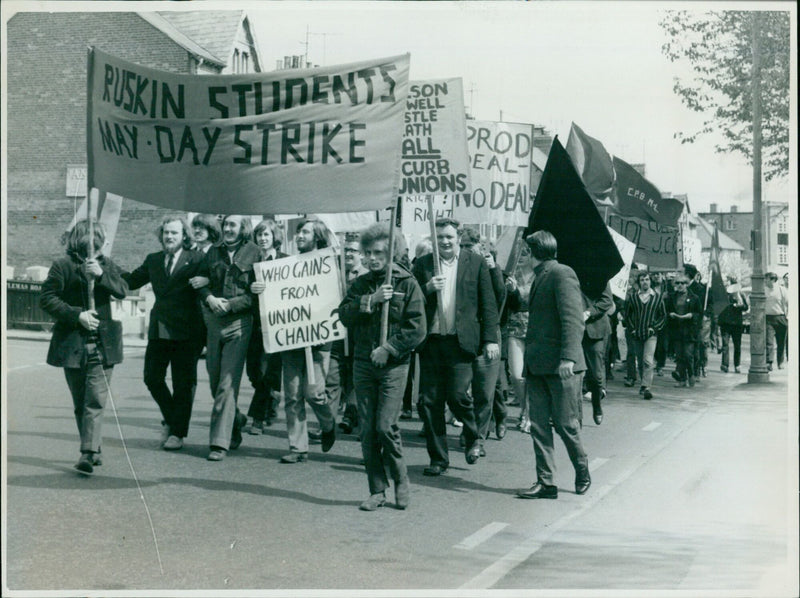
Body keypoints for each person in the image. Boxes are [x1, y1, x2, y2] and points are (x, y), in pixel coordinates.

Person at [338, 223, 426, 511]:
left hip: (394, 366)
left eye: (379, 253)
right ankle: (377, 489)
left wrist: (389, 348)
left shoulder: (407, 283)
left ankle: (401, 479)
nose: (373, 258)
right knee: (367, 430)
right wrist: (370, 301)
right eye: (368, 253)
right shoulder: (361, 284)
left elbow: (417, 329)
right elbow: (344, 315)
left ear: (391, 253)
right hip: (363, 364)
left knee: (385, 426)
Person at [412, 217, 500, 476]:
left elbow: (488, 303)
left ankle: (473, 436)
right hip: (432, 341)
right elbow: (409, 297)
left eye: (449, 237)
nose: (445, 242)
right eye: (439, 238)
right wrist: (427, 288)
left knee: (458, 395)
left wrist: (490, 339)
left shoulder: (476, 263)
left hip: (460, 342)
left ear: (459, 237)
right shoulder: (424, 264)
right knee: (429, 402)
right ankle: (438, 459)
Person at [40, 219, 128, 474]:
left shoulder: (107, 265)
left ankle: (87, 452)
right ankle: (93, 446)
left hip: (104, 345)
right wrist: (77, 314)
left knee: (95, 399)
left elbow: (123, 289)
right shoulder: (62, 266)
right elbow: (47, 298)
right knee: (81, 402)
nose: (94, 243)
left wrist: (101, 275)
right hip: (73, 346)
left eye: (97, 238)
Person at [516, 231, 590, 500]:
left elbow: (573, 319)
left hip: (561, 366)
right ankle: (546, 482)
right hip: (538, 365)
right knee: (538, 425)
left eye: (525, 251)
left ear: (533, 252)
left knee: (566, 424)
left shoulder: (561, 273)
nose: (523, 256)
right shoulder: (540, 276)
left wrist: (568, 358)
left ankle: (582, 469)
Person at [122, 215, 205, 451]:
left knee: (183, 384)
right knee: (152, 377)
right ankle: (172, 418)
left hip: (188, 330)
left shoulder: (197, 259)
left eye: (174, 233)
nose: (169, 237)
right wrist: (103, 272)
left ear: (184, 236)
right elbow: (130, 281)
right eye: (166, 232)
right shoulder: (154, 259)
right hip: (160, 327)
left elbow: (212, 281)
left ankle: (177, 433)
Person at [192, 215, 260, 461]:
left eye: (233, 225)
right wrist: (209, 297)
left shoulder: (255, 253)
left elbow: (257, 296)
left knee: (226, 384)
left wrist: (230, 304)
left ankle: (219, 443)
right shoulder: (213, 253)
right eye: (226, 225)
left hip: (239, 324)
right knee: (214, 382)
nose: (228, 229)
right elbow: (200, 283)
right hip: (213, 322)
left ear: (243, 228)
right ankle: (236, 419)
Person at [276, 217, 338, 463]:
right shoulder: (286, 265)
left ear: (317, 236)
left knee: (313, 393)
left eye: (305, 231)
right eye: (299, 231)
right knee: (292, 395)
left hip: (319, 340)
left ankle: (328, 422)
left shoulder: (328, 265)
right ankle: (297, 447)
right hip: (291, 338)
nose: (299, 235)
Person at [458, 228, 505, 457]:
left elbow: (500, 297)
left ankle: (479, 436)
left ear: (479, 246)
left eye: (469, 246)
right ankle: (470, 430)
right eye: (463, 246)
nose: (465, 250)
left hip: (489, 336)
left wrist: (493, 268)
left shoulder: (490, 266)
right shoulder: (458, 267)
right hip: (465, 337)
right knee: (461, 391)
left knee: (485, 392)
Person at [246, 219, 287, 433]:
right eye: (260, 235)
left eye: (267, 235)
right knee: (253, 371)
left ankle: (257, 418)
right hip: (254, 324)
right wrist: (250, 288)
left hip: (277, 324)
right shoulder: (250, 262)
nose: (262, 239)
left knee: (267, 371)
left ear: (274, 238)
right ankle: (272, 395)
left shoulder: (285, 261)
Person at [334, 234, 363, 435]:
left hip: (357, 334)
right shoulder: (335, 274)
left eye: (353, 250)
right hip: (336, 333)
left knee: (353, 375)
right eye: (346, 250)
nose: (349, 254)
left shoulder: (365, 276)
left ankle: (350, 415)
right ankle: (328, 419)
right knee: (336, 376)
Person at [623, 271, 667, 401]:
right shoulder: (634, 297)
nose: (645, 282)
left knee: (648, 360)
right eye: (642, 280)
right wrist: (632, 329)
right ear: (639, 282)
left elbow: (663, 316)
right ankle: (643, 383)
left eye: (647, 279)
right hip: (637, 334)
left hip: (650, 334)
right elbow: (628, 315)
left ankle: (647, 387)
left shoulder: (657, 297)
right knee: (641, 362)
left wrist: (654, 328)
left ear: (650, 281)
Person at [581, 284, 613, 424]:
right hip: (572, 327)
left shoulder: (601, 272)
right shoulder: (568, 269)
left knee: (595, 374)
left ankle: (597, 405)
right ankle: (575, 414)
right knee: (572, 372)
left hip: (595, 329)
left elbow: (606, 301)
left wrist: (588, 312)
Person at [664, 274, 702, 387]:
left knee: (688, 354)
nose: (680, 285)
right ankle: (682, 379)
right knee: (679, 355)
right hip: (676, 329)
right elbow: (666, 311)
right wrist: (670, 314)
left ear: (687, 284)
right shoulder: (671, 297)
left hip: (689, 330)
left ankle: (691, 374)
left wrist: (692, 316)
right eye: (677, 283)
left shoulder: (694, 298)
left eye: (682, 283)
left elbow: (699, 313)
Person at [718, 278, 748, 373]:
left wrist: (740, 306)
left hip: (736, 324)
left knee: (737, 345)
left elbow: (746, 307)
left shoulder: (740, 294)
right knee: (725, 345)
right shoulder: (723, 294)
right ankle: (725, 364)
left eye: (728, 282)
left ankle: (737, 365)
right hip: (725, 323)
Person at [764, 271, 788, 371]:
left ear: (773, 280)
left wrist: (788, 316)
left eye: (767, 279)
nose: (765, 281)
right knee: (769, 341)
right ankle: (769, 362)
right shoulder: (763, 290)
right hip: (768, 318)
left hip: (781, 318)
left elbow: (789, 303)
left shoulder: (782, 290)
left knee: (781, 342)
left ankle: (780, 362)